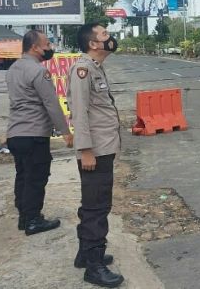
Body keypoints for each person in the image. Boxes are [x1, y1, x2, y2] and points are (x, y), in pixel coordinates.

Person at [67, 23, 124, 287]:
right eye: (104, 35)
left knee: (94, 203)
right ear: (93, 44)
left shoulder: (95, 68)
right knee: (97, 207)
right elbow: (79, 112)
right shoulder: (82, 70)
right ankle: (94, 265)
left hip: (103, 148)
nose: (110, 38)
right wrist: (85, 150)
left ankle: (84, 254)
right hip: (95, 152)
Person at [6, 30, 73, 236]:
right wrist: (65, 131)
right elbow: (51, 103)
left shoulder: (13, 69)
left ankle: (24, 217)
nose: (49, 48)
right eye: (46, 44)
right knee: (36, 178)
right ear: (34, 47)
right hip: (34, 134)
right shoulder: (38, 71)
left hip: (15, 134)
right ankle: (33, 220)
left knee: (23, 176)